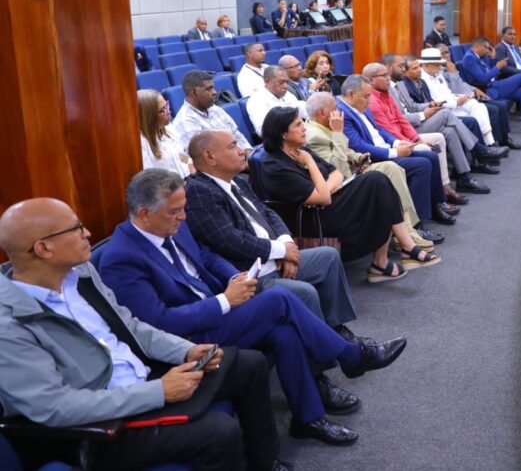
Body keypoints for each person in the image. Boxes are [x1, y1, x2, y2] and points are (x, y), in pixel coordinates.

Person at [98, 170, 407, 447]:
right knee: (279, 299)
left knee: (284, 333)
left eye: (183, 208)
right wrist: (225, 300)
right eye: (175, 211)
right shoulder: (122, 258)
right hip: (187, 340)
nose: (183, 217)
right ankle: (351, 355)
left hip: (214, 310)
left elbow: (204, 255)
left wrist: (234, 277)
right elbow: (159, 323)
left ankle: (308, 418)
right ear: (145, 213)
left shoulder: (168, 225)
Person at [0, 197, 291, 471]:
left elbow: (130, 325)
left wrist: (183, 350)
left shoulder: (81, 274)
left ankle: (265, 464)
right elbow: (53, 406)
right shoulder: (9, 323)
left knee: (249, 364)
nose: (87, 233)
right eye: (76, 229)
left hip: (142, 378)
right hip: (100, 426)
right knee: (219, 431)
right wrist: (159, 392)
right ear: (44, 248)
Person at [184, 130, 364, 329]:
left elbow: (268, 213)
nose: (242, 150)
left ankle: (337, 331)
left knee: (328, 257)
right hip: (252, 273)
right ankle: (326, 347)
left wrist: (286, 245)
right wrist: (280, 251)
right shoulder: (199, 191)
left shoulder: (238, 181)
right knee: (306, 293)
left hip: (274, 257)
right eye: (233, 146)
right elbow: (229, 240)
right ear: (210, 157)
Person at [259, 107, 440, 278]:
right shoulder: (276, 165)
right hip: (313, 220)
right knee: (376, 182)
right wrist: (312, 165)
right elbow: (323, 198)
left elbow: (337, 173)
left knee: (380, 183)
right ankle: (391, 257)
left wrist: (324, 188)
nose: (304, 128)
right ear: (283, 134)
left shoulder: (301, 150)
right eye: (298, 125)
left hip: (327, 206)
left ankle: (393, 254)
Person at [305, 92, 444, 246]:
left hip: (356, 169)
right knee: (395, 167)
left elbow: (347, 150)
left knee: (393, 168)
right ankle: (407, 231)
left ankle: (409, 227)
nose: (339, 112)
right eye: (335, 108)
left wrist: (360, 157)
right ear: (322, 112)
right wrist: (338, 133)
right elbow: (337, 169)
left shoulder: (326, 126)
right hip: (342, 184)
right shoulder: (315, 136)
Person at [337, 75, 457, 224]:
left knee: (431, 156)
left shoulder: (359, 105)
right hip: (372, 159)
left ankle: (436, 205)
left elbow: (379, 129)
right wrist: (395, 152)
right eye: (366, 96)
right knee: (422, 165)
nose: (369, 100)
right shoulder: (342, 112)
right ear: (351, 94)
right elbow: (358, 146)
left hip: (386, 149)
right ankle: (418, 221)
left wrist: (397, 142)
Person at [376, 59, 500, 193]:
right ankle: (479, 149)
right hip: (407, 130)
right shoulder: (385, 91)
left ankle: (463, 177)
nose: (403, 69)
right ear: (389, 67)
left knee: (450, 130)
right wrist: (423, 115)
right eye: (400, 66)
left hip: (414, 124)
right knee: (446, 113)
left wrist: (430, 105)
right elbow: (398, 119)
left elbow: (412, 107)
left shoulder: (397, 86)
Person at [458, 37, 521, 134]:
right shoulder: (469, 58)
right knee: (520, 77)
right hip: (487, 90)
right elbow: (482, 79)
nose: (488, 50)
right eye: (487, 47)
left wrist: (493, 57)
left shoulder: (477, 57)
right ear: (478, 46)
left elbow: (489, 70)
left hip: (494, 85)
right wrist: (498, 67)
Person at [406, 50, 501, 147]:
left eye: (440, 64)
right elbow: (433, 101)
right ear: (427, 65)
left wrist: (461, 97)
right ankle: (484, 146)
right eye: (437, 65)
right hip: (444, 109)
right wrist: (456, 102)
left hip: (453, 103)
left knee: (477, 106)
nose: (440, 67)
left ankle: (490, 142)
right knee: (472, 118)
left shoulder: (438, 74)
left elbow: (448, 93)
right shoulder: (422, 79)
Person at [436, 43, 521, 149]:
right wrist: (453, 73)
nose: (447, 55)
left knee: (502, 106)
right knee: (494, 109)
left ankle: (504, 140)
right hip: (461, 101)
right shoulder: (440, 72)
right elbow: (454, 90)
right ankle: (492, 144)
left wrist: (474, 89)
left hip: (472, 95)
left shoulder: (450, 66)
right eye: (443, 53)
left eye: (448, 52)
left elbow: (462, 83)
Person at [172, 71, 253, 155]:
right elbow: (205, 157)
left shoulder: (215, 109)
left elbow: (236, 134)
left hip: (240, 157)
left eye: (213, 88)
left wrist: (249, 154)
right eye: (208, 89)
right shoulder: (185, 121)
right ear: (194, 92)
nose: (215, 92)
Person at [139, 89, 192, 178]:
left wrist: (192, 171)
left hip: (188, 180)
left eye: (166, 105)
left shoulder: (169, 128)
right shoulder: (142, 143)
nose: (169, 111)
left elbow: (182, 155)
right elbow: (151, 179)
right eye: (162, 110)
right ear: (149, 116)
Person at [246, 65, 307, 135]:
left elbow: (304, 110)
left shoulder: (287, 94)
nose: (286, 86)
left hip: (300, 132)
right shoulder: (256, 101)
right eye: (281, 82)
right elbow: (263, 131)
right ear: (267, 81)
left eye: (287, 82)